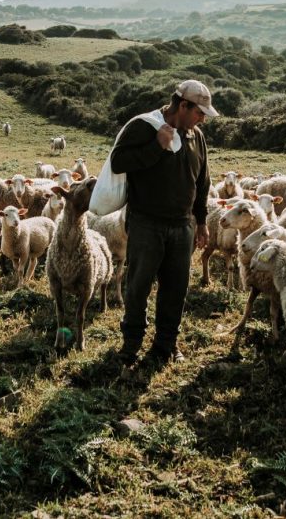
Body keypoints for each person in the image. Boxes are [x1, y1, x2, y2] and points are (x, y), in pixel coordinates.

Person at [109, 79, 219, 367]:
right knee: (138, 286)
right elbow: (118, 162)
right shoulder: (144, 126)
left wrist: (202, 221)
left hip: (183, 225)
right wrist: (156, 147)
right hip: (146, 222)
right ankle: (131, 344)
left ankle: (166, 345)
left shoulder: (196, 136)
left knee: (176, 287)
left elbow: (203, 180)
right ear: (182, 105)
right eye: (199, 112)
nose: (203, 119)